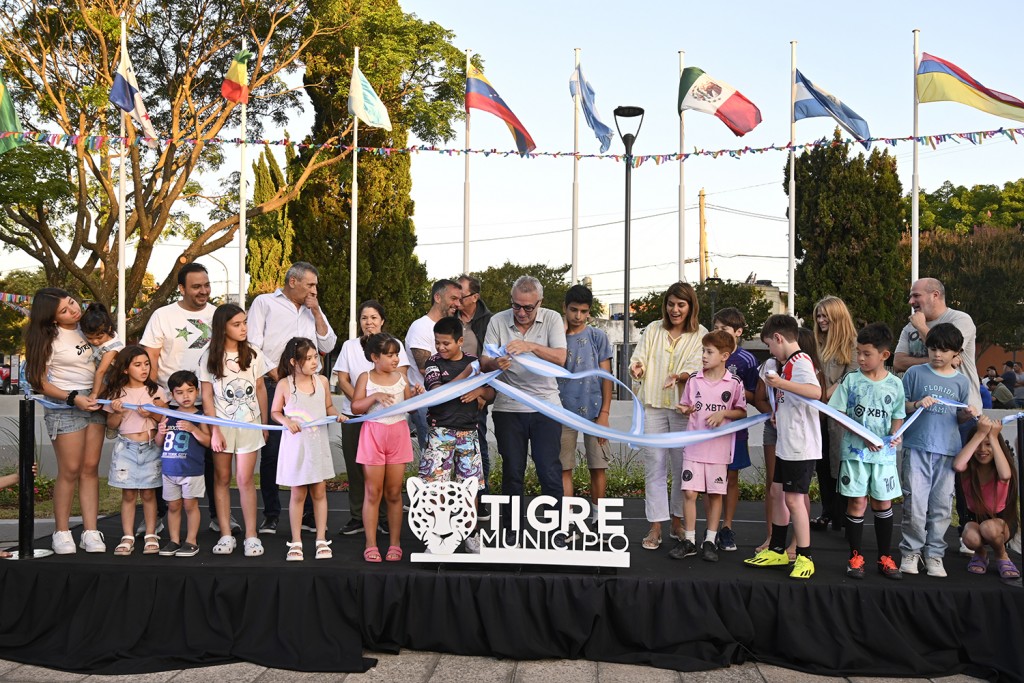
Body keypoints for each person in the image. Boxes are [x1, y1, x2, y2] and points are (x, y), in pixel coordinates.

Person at [247, 262, 338, 535]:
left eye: (315, 285)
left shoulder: (313, 311)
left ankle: (310, 516)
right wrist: (277, 375)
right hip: (276, 384)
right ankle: (272, 514)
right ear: (293, 282)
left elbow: (328, 344)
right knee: (273, 450)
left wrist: (317, 311)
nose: (314, 290)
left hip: (311, 387)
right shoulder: (264, 303)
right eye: (310, 284)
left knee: (312, 448)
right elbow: (253, 344)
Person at [140, 263, 227, 534]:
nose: (204, 291)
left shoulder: (219, 315)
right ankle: (158, 518)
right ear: (181, 288)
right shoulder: (162, 315)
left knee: (213, 462)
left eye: (207, 285)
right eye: (196, 286)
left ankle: (218, 517)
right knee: (166, 461)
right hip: (172, 404)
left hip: (209, 402)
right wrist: (159, 399)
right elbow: (150, 358)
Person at [482, 276, 568, 546]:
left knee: (549, 469)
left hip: (546, 405)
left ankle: (556, 529)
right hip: (509, 406)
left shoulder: (553, 319)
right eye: (516, 306)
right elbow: (483, 361)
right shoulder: (498, 321)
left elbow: (561, 358)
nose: (521, 313)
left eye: (528, 308)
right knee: (512, 471)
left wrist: (529, 346)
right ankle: (511, 530)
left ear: (540, 303)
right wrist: (496, 362)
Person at [25, 288, 107, 554]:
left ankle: (91, 531)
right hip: (65, 404)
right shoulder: (49, 339)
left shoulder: (88, 326)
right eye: (64, 310)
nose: (73, 310)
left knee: (90, 468)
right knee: (70, 469)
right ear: (51, 318)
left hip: (95, 400)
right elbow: (40, 382)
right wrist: (73, 398)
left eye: (72, 302)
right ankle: (61, 532)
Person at [744, 315, 822, 580]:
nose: (770, 351)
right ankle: (777, 548)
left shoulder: (800, 362)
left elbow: (814, 392)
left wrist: (780, 384)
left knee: (794, 499)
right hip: (786, 443)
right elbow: (792, 399)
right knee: (778, 492)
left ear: (779, 338)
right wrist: (779, 412)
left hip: (801, 446)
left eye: (769, 345)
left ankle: (805, 556)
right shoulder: (787, 364)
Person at [826, 323, 906, 580]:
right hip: (855, 453)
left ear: (884, 355)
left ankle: (885, 556)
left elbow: (898, 414)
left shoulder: (895, 384)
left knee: (883, 502)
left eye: (866, 353)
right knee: (857, 502)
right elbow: (837, 412)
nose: (860, 358)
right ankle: (855, 556)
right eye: (858, 352)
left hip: (883, 457)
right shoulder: (851, 380)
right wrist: (864, 435)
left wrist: (896, 435)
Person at [629, 282, 705, 552]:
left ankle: (676, 521)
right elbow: (639, 359)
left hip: (683, 411)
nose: (675, 309)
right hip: (653, 407)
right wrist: (637, 368)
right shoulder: (653, 329)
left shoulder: (701, 335)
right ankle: (656, 526)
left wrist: (681, 376)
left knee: (682, 469)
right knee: (655, 467)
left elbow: (698, 367)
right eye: (671, 304)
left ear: (690, 307)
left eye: (681, 305)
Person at [899, 323, 978, 577]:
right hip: (917, 446)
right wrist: (917, 403)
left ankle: (934, 554)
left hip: (947, 451)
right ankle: (910, 551)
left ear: (956, 352)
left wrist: (966, 415)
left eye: (944, 350)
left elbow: (958, 417)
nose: (937, 355)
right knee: (915, 504)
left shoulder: (961, 382)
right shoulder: (914, 373)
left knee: (943, 505)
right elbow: (901, 407)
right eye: (933, 349)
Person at [332, 300, 413, 536]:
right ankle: (358, 517)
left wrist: (378, 402)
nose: (369, 322)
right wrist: (365, 399)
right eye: (364, 318)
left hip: (389, 419)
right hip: (355, 416)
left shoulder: (394, 345)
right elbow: (343, 379)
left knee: (388, 475)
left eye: (374, 317)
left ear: (382, 320)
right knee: (357, 469)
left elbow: (402, 377)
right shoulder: (349, 346)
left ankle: (386, 518)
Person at [419, 316, 494, 553]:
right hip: (440, 433)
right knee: (436, 488)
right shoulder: (433, 364)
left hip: (469, 433)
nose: (440, 348)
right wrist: (466, 378)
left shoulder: (475, 362)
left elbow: (492, 392)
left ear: (460, 341)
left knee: (470, 488)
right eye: (437, 343)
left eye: (446, 344)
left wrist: (480, 391)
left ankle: (470, 534)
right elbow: (437, 394)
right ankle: (435, 534)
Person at [199, 304, 268, 557]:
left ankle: (252, 536)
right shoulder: (208, 356)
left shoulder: (254, 354)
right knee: (221, 479)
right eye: (236, 324)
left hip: (250, 425)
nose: (243, 328)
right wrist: (214, 430)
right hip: (222, 428)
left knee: (245, 479)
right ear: (222, 327)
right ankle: (226, 534)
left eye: (245, 322)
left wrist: (263, 423)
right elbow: (206, 396)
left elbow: (260, 388)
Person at [674, 330, 747, 562]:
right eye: (703, 351)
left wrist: (724, 413)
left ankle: (710, 540)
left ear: (724, 355)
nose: (704, 356)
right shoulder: (694, 379)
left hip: (719, 450)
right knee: (689, 492)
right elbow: (685, 405)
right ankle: (689, 540)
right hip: (694, 446)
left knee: (716, 494)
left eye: (709, 352)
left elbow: (742, 412)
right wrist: (685, 410)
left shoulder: (734, 383)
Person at [351, 333, 423, 562]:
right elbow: (355, 407)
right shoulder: (366, 377)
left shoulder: (402, 377)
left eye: (396, 355)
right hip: (373, 433)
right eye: (389, 355)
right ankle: (370, 544)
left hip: (398, 434)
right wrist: (374, 397)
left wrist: (417, 396)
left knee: (393, 492)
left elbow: (410, 408)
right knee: (373, 492)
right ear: (374, 357)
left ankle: (395, 543)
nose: (394, 359)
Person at [271, 338, 344, 561]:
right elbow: (275, 412)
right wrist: (286, 421)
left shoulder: (321, 381)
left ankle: (321, 539)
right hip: (296, 447)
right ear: (294, 361)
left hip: (317, 446)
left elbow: (329, 406)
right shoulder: (285, 384)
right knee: (298, 493)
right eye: (309, 358)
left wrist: (336, 415)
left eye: (315, 357)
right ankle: (296, 541)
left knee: (320, 492)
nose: (315, 362)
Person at [102, 345, 169, 556]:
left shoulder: (155, 390)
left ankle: (151, 533)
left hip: (150, 447)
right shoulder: (116, 393)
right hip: (126, 448)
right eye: (137, 365)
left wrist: (151, 414)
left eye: (146, 364)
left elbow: (164, 417)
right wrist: (118, 412)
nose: (144, 369)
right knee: (129, 493)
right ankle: (128, 535)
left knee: (149, 493)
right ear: (125, 369)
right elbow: (111, 425)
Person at [557, 285, 613, 521]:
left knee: (598, 465)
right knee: (564, 466)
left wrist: (605, 413)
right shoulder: (555, 336)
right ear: (564, 308)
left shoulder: (597, 336)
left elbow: (607, 377)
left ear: (589, 312)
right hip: (561, 410)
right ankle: (567, 519)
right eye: (573, 310)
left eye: (583, 311)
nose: (578, 316)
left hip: (593, 410)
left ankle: (598, 517)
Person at [894, 278, 981, 412]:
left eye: (916, 296)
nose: (911, 302)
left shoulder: (960, 319)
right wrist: (940, 359)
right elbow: (898, 363)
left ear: (935, 295)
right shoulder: (909, 328)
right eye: (910, 297)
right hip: (922, 411)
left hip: (962, 411)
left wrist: (921, 326)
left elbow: (947, 344)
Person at [711, 307, 758, 552]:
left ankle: (726, 528)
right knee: (710, 479)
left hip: (735, 429)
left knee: (731, 478)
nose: (719, 333)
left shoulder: (747, 361)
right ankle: (710, 531)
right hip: (710, 428)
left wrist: (732, 385)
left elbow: (754, 395)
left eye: (724, 329)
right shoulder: (706, 355)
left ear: (738, 332)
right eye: (715, 328)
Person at [811, 296, 858, 533]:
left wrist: (829, 391)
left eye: (824, 316)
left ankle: (845, 515)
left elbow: (853, 375)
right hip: (818, 413)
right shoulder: (815, 343)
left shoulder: (852, 344)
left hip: (841, 415)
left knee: (841, 465)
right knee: (822, 464)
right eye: (818, 316)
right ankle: (827, 512)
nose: (820, 320)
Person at [954, 416, 1020, 582]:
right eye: (978, 444)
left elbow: (1006, 475)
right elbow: (958, 465)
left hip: (1001, 523)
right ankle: (980, 553)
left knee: (989, 528)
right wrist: (981, 433)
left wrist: (993, 436)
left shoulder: (1001, 468)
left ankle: (1002, 555)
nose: (982, 450)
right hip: (976, 519)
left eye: (988, 444)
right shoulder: (968, 469)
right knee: (970, 536)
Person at [156, 370, 210, 557]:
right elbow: (158, 443)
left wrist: (193, 428)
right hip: (169, 470)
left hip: (191, 471)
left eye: (190, 390)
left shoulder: (200, 415)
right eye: (179, 392)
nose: (185, 396)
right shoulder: (167, 414)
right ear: (172, 395)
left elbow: (208, 441)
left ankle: (191, 540)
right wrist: (161, 431)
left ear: (197, 391)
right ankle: (174, 540)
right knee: (173, 506)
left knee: (190, 505)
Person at [405, 279, 462, 453]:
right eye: (453, 298)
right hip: (427, 404)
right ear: (437, 297)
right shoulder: (421, 327)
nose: (457, 304)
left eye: (459, 300)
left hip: (447, 402)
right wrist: (463, 374)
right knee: (433, 458)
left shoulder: (451, 327)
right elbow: (426, 369)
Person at [457, 274, 494, 499]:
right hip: (450, 394)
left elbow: (491, 359)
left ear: (475, 297)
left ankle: (481, 498)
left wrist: (484, 393)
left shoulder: (488, 321)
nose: (458, 299)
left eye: (463, 295)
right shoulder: (450, 317)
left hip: (477, 394)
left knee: (477, 446)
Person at [79, 302, 124, 399]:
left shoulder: (113, 347)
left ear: (109, 329)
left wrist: (94, 393)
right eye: (89, 338)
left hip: (112, 380)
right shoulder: (94, 334)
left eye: (99, 337)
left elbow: (101, 372)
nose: (95, 341)